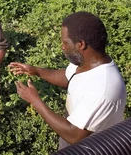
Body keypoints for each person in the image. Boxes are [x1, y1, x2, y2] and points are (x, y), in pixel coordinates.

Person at [8, 11, 127, 150]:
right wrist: (36, 71)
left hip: (88, 149)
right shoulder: (86, 63)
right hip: (72, 138)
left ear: (81, 44)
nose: (62, 47)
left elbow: (74, 135)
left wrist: (35, 101)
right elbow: (67, 76)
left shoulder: (103, 89)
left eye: (65, 42)